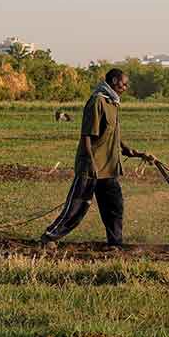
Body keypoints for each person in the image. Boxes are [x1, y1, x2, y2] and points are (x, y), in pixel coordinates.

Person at [42, 68, 153, 249]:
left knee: (114, 206)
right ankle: (50, 237)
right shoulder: (97, 101)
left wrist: (130, 150)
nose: (126, 87)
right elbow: (86, 135)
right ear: (114, 81)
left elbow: (113, 133)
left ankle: (115, 243)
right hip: (92, 166)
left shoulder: (113, 103)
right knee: (77, 207)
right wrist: (91, 162)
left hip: (108, 166)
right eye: (124, 83)